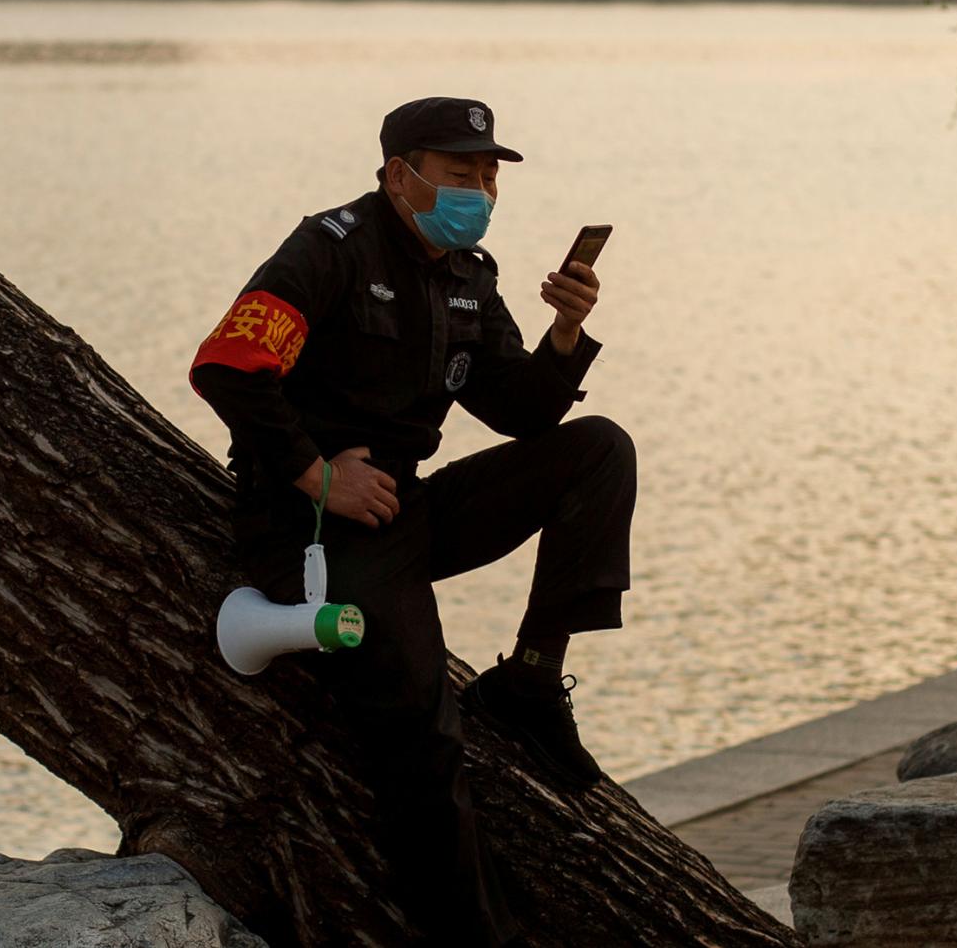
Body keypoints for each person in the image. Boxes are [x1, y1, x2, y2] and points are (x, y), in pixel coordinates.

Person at [189, 97, 632, 947]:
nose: (484, 190)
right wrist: (319, 475)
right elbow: (227, 367)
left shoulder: (469, 271)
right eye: (463, 173)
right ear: (401, 176)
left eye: (491, 174)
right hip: (311, 528)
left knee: (598, 449)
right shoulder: (330, 247)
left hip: (403, 506)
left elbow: (522, 411)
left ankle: (533, 681)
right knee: (427, 742)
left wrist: (567, 330)